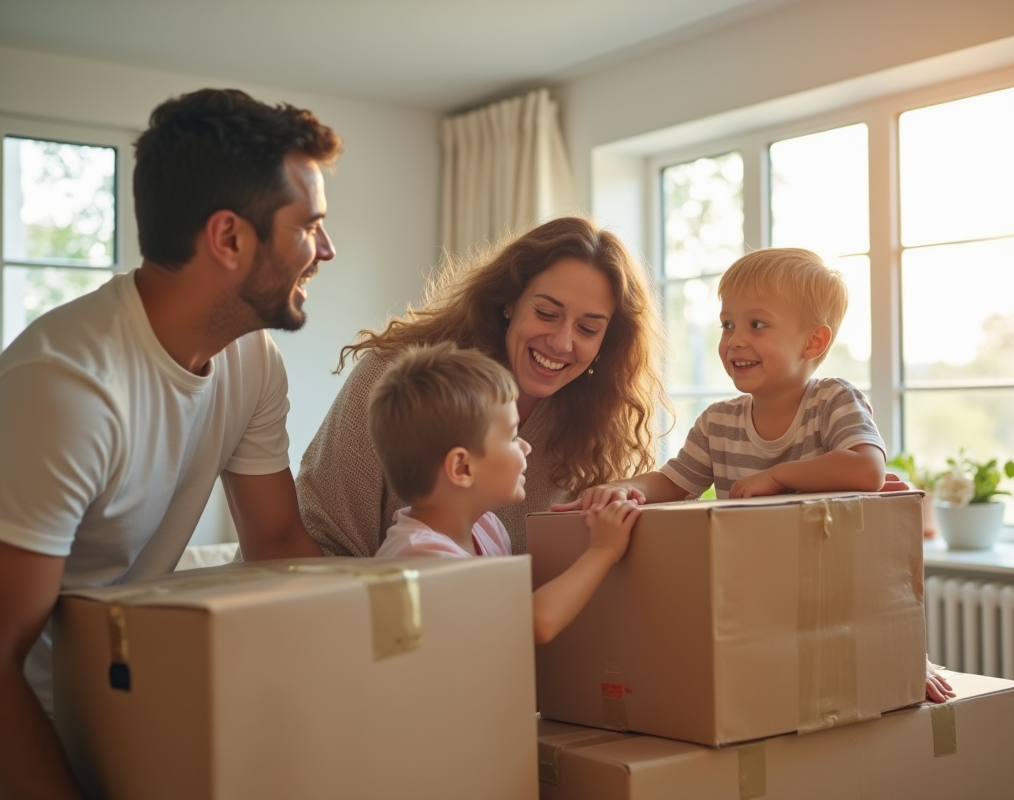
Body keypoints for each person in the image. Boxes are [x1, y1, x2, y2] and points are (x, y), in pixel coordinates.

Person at [0, 88, 339, 800]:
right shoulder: (65, 391)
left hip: (122, 714)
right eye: (310, 226)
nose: (326, 250)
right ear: (229, 238)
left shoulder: (251, 358)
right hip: (15, 742)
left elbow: (277, 544)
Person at [556, 247, 954, 703]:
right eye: (728, 325)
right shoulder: (717, 421)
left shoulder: (833, 401)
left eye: (756, 325)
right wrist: (626, 487)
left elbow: (866, 468)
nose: (734, 341)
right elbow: (673, 480)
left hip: (839, 591)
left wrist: (780, 476)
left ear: (814, 343)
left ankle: (905, 654)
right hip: (755, 589)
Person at [297, 216, 667, 557]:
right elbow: (319, 539)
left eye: (588, 329)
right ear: (509, 300)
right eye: (546, 314)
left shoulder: (595, 428)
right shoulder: (395, 380)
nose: (561, 342)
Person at [370, 343, 639, 643]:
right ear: (462, 468)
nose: (526, 446)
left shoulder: (487, 527)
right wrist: (602, 551)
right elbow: (534, 622)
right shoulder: (420, 555)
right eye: (513, 436)